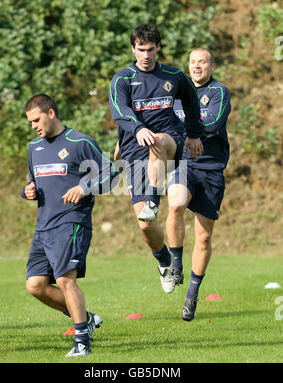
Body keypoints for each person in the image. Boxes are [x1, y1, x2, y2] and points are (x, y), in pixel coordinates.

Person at [110, 24, 204, 294]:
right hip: (134, 148)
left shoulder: (174, 75)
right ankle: (164, 261)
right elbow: (119, 109)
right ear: (133, 49)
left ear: (158, 48)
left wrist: (194, 134)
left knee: (158, 140)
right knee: (144, 225)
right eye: (141, 49)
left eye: (151, 49)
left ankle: (153, 198)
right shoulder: (123, 79)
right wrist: (135, 129)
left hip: (169, 139)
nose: (146, 55)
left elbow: (191, 102)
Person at [21, 94, 117, 357]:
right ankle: (88, 319)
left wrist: (84, 187)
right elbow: (33, 181)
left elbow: (112, 175)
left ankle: (82, 342)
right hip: (43, 226)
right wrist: (27, 191)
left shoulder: (80, 142)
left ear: (51, 113)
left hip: (72, 222)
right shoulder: (34, 147)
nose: (34, 126)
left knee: (64, 279)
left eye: (37, 120)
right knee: (35, 285)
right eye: (30, 122)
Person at [167, 48, 231, 321]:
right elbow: (161, 120)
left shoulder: (218, 92)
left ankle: (191, 295)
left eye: (202, 62)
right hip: (186, 165)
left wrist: (187, 131)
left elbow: (214, 124)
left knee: (203, 237)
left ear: (212, 65)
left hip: (212, 170)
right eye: (192, 61)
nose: (196, 66)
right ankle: (176, 264)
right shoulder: (177, 92)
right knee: (176, 204)